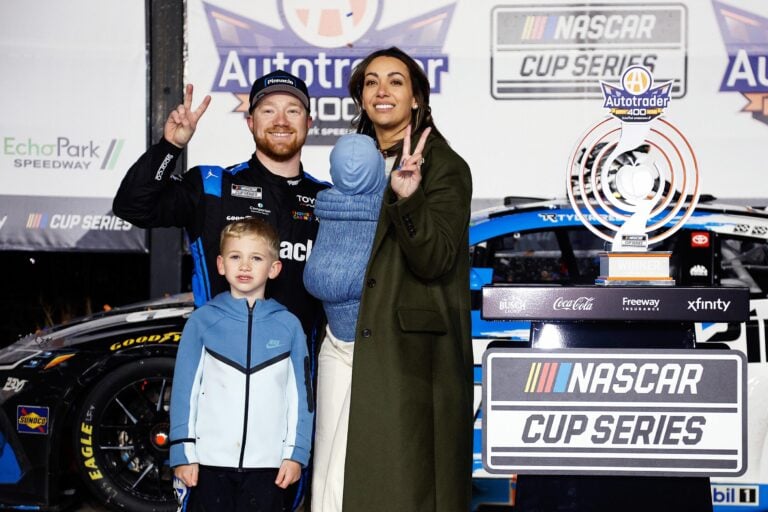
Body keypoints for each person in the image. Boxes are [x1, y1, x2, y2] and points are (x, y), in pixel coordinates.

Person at [332, 46, 474, 512]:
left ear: (416, 98)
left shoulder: (444, 166)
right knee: (342, 486)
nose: (382, 91)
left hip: (410, 357)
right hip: (344, 346)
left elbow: (436, 259)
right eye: (371, 82)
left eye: (395, 81)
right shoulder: (351, 165)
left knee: (400, 490)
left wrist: (409, 198)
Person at [112, 70, 329, 340]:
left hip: (300, 372)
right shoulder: (212, 186)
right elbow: (132, 206)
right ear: (250, 122)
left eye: (293, 111)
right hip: (222, 366)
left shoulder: (329, 200)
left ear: (309, 122)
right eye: (268, 111)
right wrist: (170, 147)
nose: (281, 121)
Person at [170, 218, 312, 512]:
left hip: (269, 467)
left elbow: (302, 400)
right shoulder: (202, 322)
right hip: (207, 466)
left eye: (256, 258)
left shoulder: (289, 326)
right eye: (236, 257)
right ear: (221, 265)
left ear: (274, 268)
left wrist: (296, 454)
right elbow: (184, 392)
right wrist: (183, 453)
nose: (245, 266)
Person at [302, 133, 386, 510]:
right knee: (326, 456)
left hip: (375, 348)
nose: (351, 171)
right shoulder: (326, 208)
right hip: (334, 343)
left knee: (343, 462)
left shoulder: (391, 214)